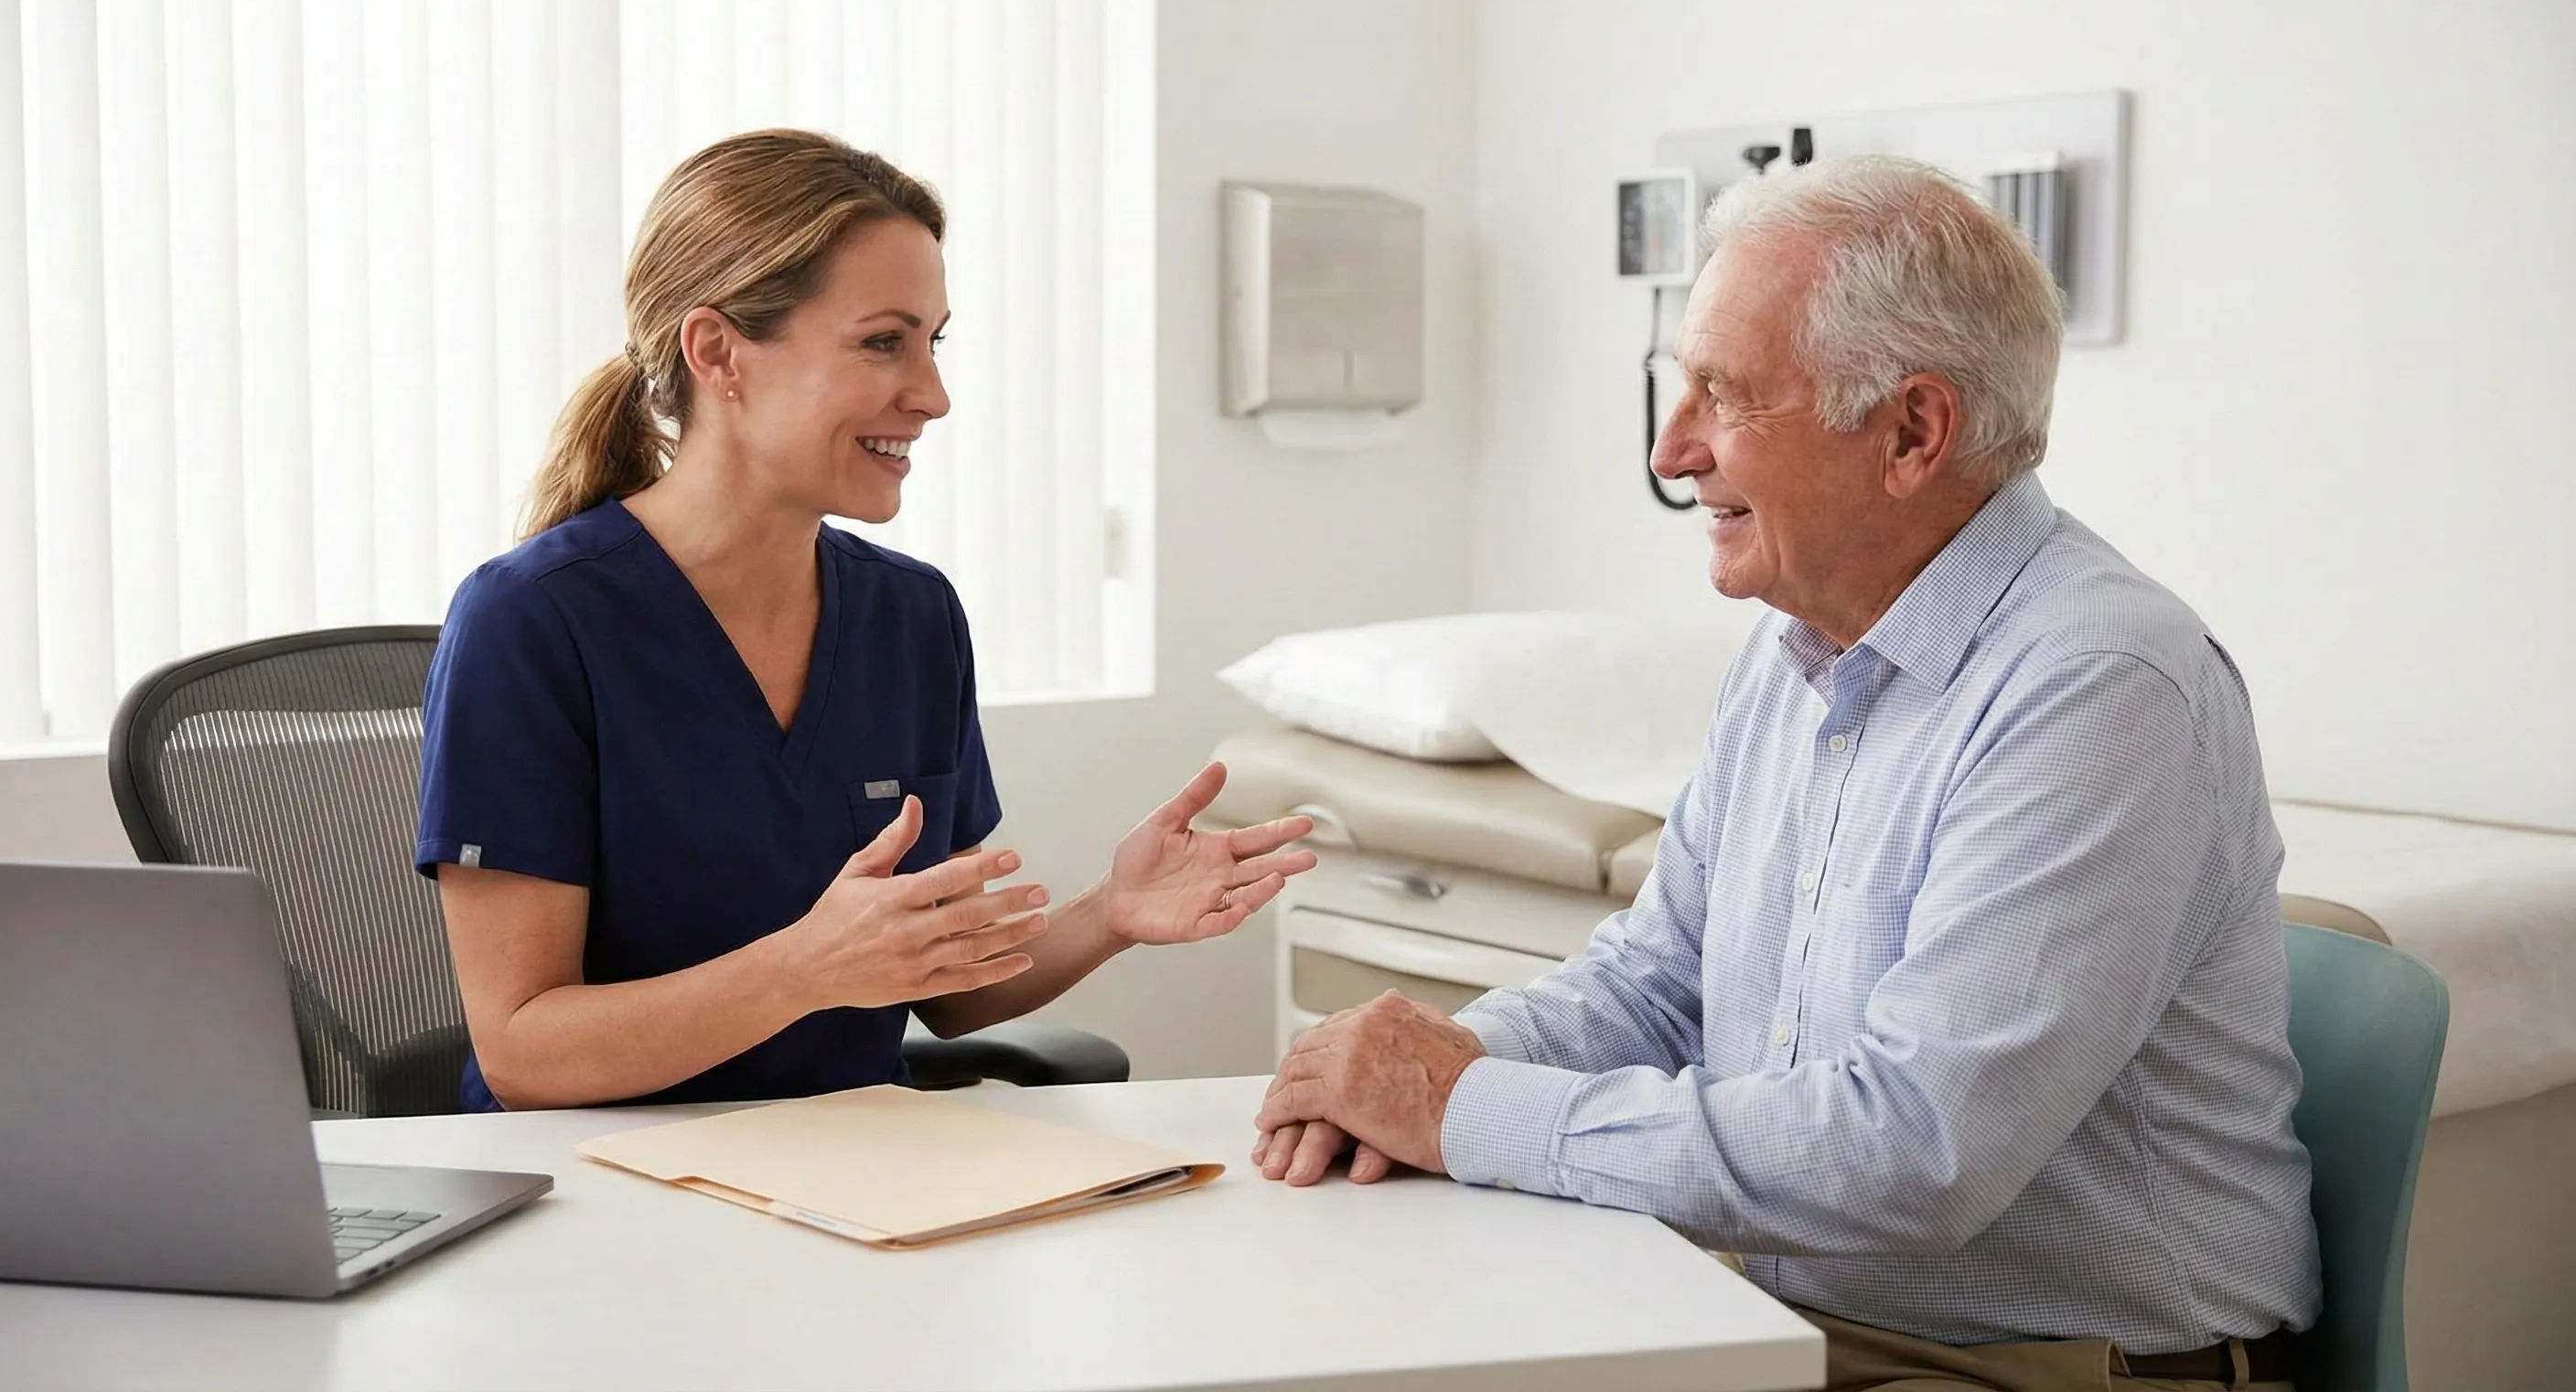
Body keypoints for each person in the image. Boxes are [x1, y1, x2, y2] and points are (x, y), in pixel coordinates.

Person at [1251, 155, 2319, 1391]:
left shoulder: (2099, 685)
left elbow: (1916, 1154)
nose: (1671, 451)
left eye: (1722, 393)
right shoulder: (1797, 647)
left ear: (1913, 431)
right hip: (1782, 1313)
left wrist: (1460, 1109)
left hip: (2051, 1368)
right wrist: (1414, 1073)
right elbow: (1658, 985)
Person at [417, 129, 1314, 1112]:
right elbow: (523, 1052)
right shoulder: (532, 623)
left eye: (932, 342)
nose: (930, 395)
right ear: (718, 352)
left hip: (857, 1178)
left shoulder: (909, 615)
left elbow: (956, 988)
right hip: (599, 1189)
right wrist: (804, 969)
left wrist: (1114, 910)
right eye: (883, 341)